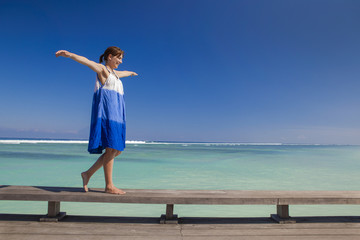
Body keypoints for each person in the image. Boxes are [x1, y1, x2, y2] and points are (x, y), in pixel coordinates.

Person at [55, 46, 137, 194]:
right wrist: (69, 54)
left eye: (122, 58)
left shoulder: (115, 73)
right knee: (111, 148)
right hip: (108, 113)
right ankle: (109, 186)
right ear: (110, 56)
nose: (121, 61)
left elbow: (123, 73)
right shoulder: (102, 69)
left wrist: (130, 73)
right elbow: (86, 61)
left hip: (118, 114)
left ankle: (87, 174)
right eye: (119, 57)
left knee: (117, 150)